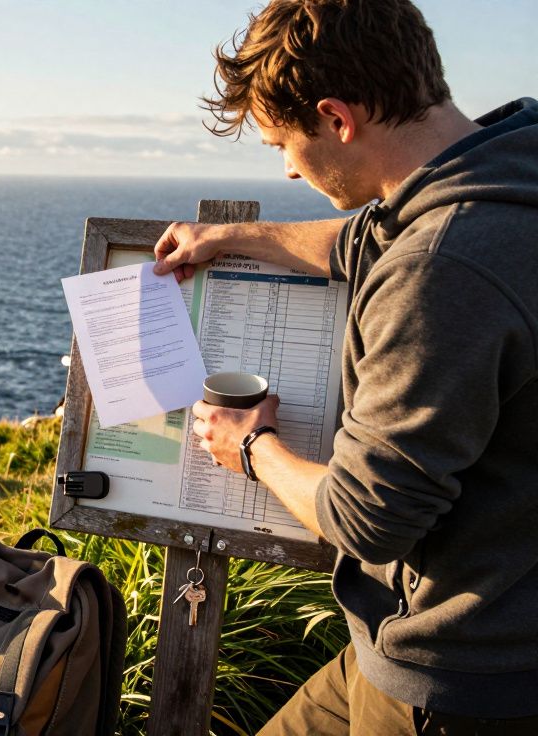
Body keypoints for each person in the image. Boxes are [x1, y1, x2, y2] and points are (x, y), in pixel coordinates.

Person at [151, 0, 538, 733]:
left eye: (279, 147)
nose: (290, 172)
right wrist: (232, 236)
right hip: (452, 636)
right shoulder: (503, 169)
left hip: (457, 676)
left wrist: (250, 448)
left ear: (336, 118)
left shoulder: (441, 269)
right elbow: (366, 241)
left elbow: (366, 519)